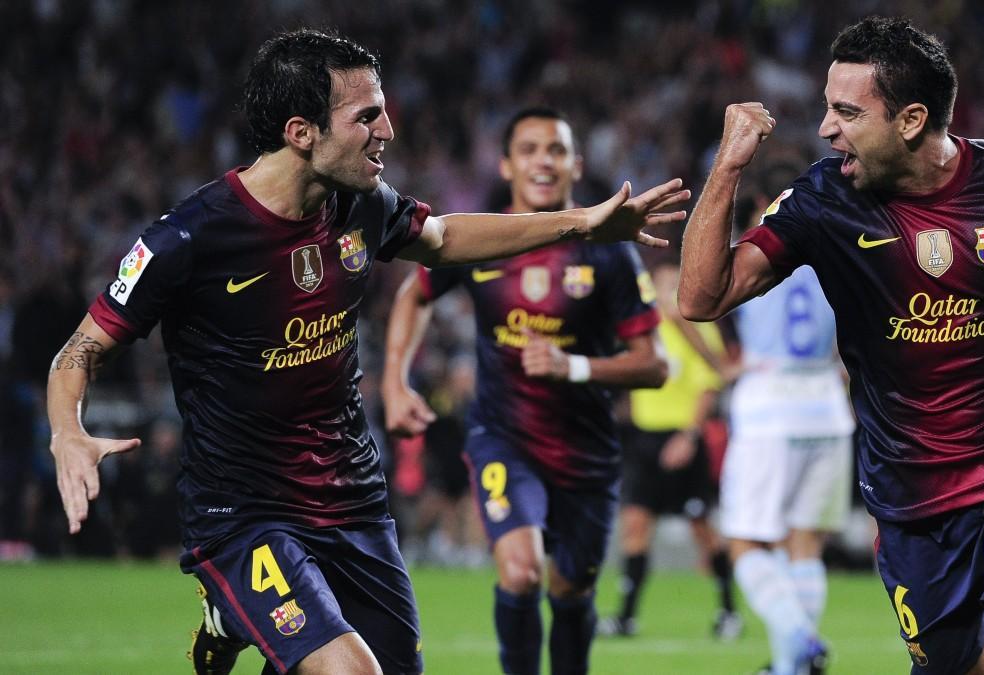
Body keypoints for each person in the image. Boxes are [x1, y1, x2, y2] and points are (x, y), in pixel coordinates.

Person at [46, 31, 687, 675]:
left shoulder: (360, 205)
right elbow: (80, 349)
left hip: (351, 498)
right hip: (244, 513)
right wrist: (67, 431)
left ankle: (230, 618)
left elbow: (442, 238)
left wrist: (581, 223)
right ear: (302, 132)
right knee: (352, 672)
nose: (388, 129)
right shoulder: (189, 237)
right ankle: (235, 599)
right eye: (366, 116)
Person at [678, 16, 984, 675]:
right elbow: (701, 298)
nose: (826, 129)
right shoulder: (822, 201)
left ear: (911, 119)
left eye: (845, 112)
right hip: (910, 489)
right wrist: (726, 166)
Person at [382, 107, 669, 675]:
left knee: (570, 592)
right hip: (503, 438)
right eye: (531, 149)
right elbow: (413, 295)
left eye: (557, 150)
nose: (544, 160)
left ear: (575, 166)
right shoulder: (479, 240)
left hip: (586, 451)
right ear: (507, 164)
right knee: (520, 572)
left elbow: (654, 366)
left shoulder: (609, 249)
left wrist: (575, 368)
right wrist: (394, 380)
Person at [715, 182, 856, 675]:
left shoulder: (754, 255)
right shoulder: (833, 254)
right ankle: (788, 666)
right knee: (805, 545)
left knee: (745, 545)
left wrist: (721, 361)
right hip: (826, 408)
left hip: (767, 409)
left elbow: (688, 299)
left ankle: (801, 639)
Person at [597, 260, 742, 641]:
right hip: (644, 440)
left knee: (702, 528)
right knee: (635, 525)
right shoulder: (643, 329)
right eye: (656, 285)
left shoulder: (696, 326)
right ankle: (626, 617)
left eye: (668, 285)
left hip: (683, 436)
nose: (661, 294)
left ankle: (728, 612)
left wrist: (690, 436)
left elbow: (710, 382)